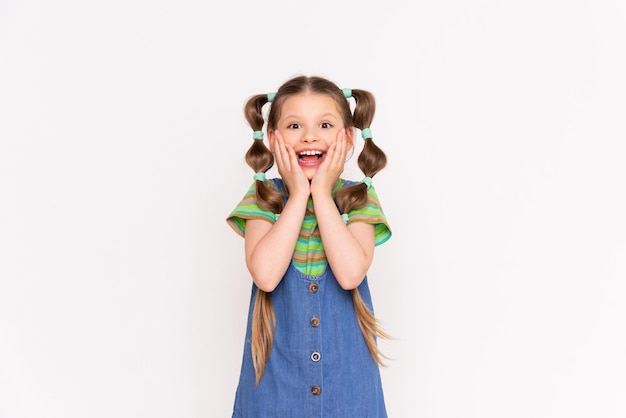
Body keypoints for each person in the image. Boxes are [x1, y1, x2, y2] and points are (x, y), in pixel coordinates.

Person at [227, 75, 392, 417]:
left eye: (325, 124)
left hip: (348, 390)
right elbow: (267, 276)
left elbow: (349, 274)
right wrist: (299, 193)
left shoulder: (359, 199)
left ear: (347, 138)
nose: (310, 136)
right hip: (275, 389)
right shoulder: (264, 199)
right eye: (294, 126)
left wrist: (321, 193)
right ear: (273, 139)